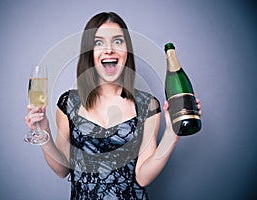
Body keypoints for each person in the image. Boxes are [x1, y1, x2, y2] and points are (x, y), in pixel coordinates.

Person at [25, 12, 201, 200]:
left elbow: (142, 177)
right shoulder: (69, 103)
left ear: (127, 52)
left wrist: (171, 135)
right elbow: (62, 170)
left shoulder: (147, 106)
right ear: (89, 53)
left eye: (118, 41)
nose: (109, 49)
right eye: (98, 42)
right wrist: (44, 133)